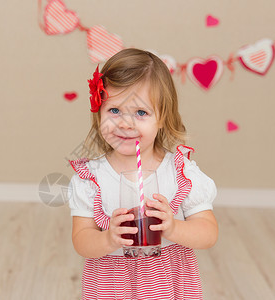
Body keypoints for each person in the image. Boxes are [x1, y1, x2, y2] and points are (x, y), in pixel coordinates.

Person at [68, 48, 218, 299]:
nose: (126, 124)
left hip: (167, 281)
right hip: (111, 283)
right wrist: (108, 239)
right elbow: (81, 240)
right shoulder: (90, 178)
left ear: (162, 118)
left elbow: (209, 234)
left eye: (141, 113)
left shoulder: (180, 173)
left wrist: (173, 229)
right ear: (99, 112)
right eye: (114, 110)